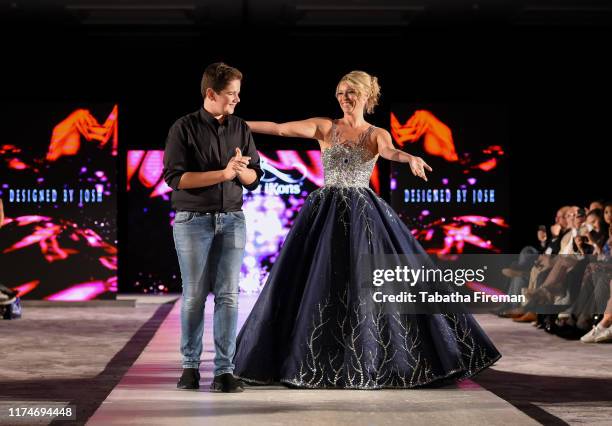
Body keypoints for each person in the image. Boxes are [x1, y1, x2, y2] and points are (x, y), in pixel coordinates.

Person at [233, 70, 501, 389]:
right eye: (341, 93)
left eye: (351, 92)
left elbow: (389, 152)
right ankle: (313, 354)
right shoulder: (325, 126)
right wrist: (237, 123)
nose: (345, 98)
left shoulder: (377, 133)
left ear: (366, 96)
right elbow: (279, 129)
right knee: (318, 283)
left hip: (363, 214)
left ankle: (370, 356)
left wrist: (410, 158)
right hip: (326, 212)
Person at [163, 62, 263, 393]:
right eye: (231, 94)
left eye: (238, 94)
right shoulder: (183, 128)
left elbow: (253, 177)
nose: (236, 100)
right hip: (193, 222)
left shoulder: (241, 128)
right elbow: (176, 180)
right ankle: (190, 368)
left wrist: (240, 170)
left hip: (233, 219)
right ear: (211, 93)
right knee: (194, 295)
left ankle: (224, 372)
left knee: (228, 296)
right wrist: (223, 173)